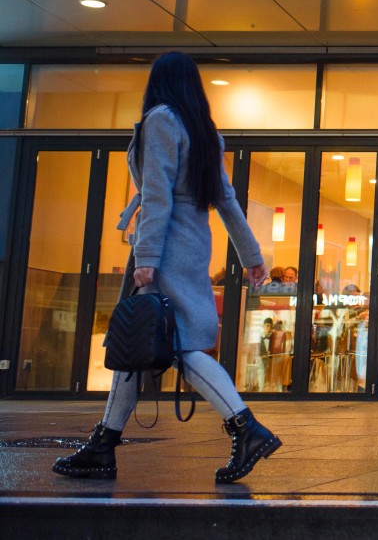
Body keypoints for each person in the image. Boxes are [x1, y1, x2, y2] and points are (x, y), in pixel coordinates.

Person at [52, 52, 281, 484]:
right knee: (139, 346)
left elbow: (157, 195)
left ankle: (245, 426)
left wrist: (148, 258)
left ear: (157, 82)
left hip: (167, 247)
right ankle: (103, 444)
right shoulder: (205, 131)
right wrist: (252, 257)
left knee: (177, 346)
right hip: (194, 245)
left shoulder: (161, 120)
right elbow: (226, 199)